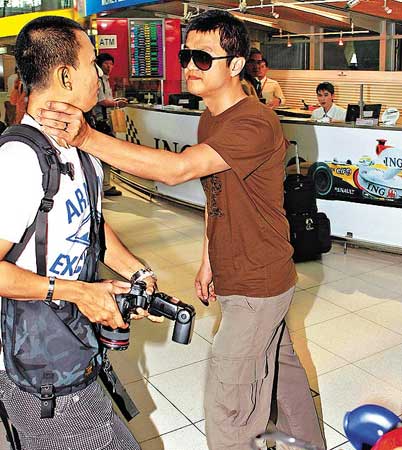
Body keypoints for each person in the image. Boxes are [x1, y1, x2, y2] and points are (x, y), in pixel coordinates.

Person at [39, 10, 325, 450]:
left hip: (259, 283)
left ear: (235, 64)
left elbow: (177, 170)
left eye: (203, 58)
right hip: (243, 275)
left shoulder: (254, 122)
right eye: (185, 56)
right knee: (284, 385)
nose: (190, 65)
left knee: (230, 409)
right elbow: (217, 198)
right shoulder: (212, 117)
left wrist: (87, 138)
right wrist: (209, 260)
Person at [0, 16, 158, 450]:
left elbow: (91, 222)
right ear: (66, 76)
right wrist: (78, 292)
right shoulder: (18, 160)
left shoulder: (82, 151)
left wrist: (137, 273)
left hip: (72, 349)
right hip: (34, 368)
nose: (100, 74)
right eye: (92, 64)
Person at [94, 52, 127, 197]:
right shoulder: (99, 80)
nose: (109, 67)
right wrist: (116, 103)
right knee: (105, 153)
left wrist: (115, 101)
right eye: (106, 63)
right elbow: (101, 101)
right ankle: (105, 186)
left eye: (111, 64)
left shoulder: (105, 80)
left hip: (106, 120)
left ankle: (104, 184)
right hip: (101, 121)